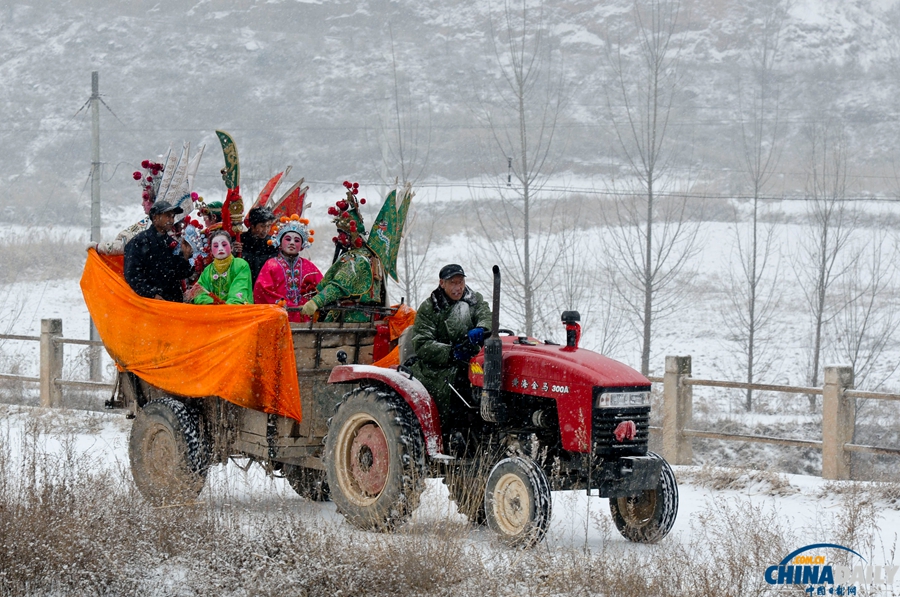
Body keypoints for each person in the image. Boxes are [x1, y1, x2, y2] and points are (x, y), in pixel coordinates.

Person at [409, 264, 492, 424]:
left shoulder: (474, 300)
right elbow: (422, 344)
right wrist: (451, 352)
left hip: (471, 361)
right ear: (442, 283)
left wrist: (482, 328)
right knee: (461, 390)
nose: (458, 288)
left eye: (460, 282)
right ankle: (455, 432)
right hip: (438, 368)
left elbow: (485, 314)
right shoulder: (430, 308)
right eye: (453, 283)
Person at [300, 181, 383, 323]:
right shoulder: (364, 255)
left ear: (353, 234)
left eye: (342, 233)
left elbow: (339, 285)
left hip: (351, 318)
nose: (339, 237)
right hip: (357, 315)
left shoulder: (357, 259)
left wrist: (316, 302)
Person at [254, 215, 322, 322]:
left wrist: (312, 303)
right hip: (277, 319)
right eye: (288, 239)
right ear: (280, 242)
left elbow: (322, 288)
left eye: (296, 240)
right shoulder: (271, 265)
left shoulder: (309, 266)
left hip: (305, 321)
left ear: (302, 245)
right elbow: (262, 291)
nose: (292, 243)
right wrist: (282, 303)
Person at [123, 201, 194, 302]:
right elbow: (132, 275)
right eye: (167, 216)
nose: (171, 220)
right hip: (150, 305)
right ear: (155, 218)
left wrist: (186, 257)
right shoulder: (139, 242)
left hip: (172, 303)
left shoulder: (172, 243)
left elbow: (180, 273)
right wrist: (152, 294)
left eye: (173, 216)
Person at [92, 159, 163, 255]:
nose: (142, 204)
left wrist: (99, 247)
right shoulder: (149, 223)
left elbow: (125, 244)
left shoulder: (158, 226)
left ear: (155, 201)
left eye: (145, 199)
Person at [187, 230, 253, 305]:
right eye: (216, 246)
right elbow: (199, 293)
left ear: (231, 248)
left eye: (224, 245)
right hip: (213, 312)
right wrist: (213, 303)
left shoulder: (240, 265)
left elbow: (239, 291)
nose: (220, 249)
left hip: (235, 312)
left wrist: (226, 307)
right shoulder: (208, 270)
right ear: (211, 251)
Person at [237, 207, 278, 284]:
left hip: (265, 284)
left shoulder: (273, 243)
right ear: (252, 226)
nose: (266, 230)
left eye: (268, 226)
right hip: (244, 283)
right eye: (262, 226)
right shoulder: (240, 241)